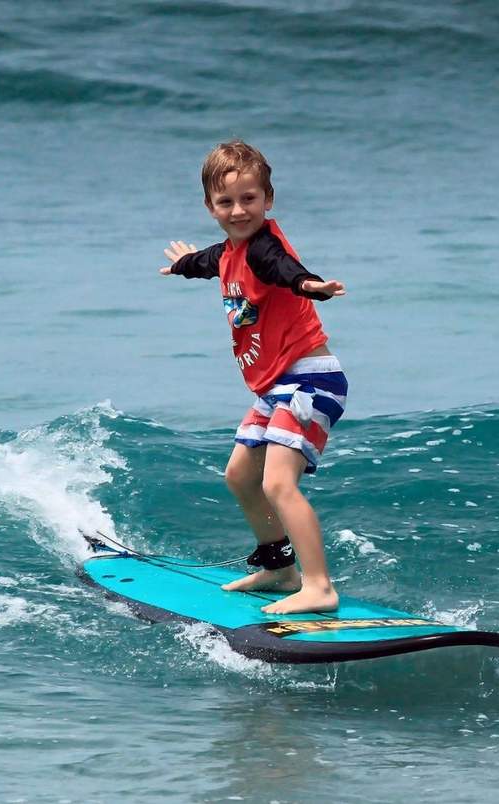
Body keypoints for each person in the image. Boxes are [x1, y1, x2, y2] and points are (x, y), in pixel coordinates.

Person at [159, 140, 347, 615]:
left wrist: (312, 287)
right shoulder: (229, 252)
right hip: (275, 385)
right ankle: (281, 569)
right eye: (227, 202)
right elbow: (210, 262)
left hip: (309, 380)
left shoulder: (265, 248)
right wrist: (184, 264)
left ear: (268, 200)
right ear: (210, 207)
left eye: (250, 199)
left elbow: (284, 270)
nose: (239, 210)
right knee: (240, 477)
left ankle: (319, 586)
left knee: (277, 484)